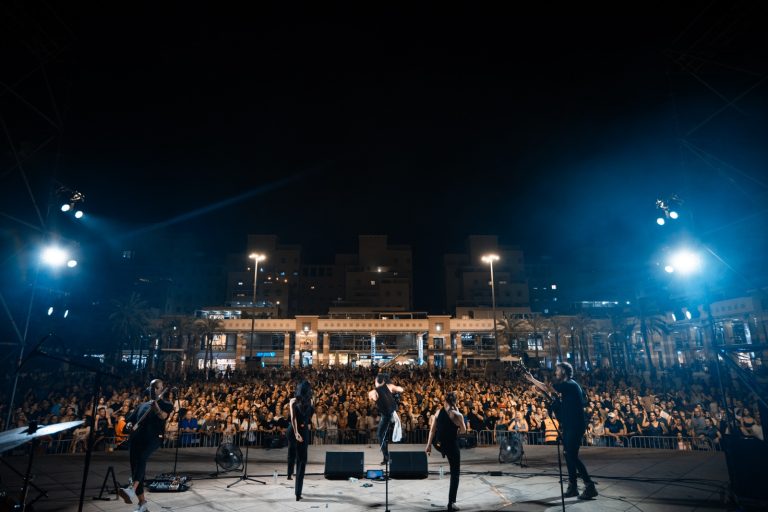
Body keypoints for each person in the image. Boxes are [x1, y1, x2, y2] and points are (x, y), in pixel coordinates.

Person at [527, 363, 597, 500]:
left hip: (574, 425)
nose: (556, 372)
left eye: (558, 370)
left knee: (571, 455)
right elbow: (554, 396)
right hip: (571, 425)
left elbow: (547, 387)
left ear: (564, 371)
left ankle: (590, 486)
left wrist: (532, 379)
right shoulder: (569, 386)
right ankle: (573, 487)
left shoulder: (569, 384)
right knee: (568, 455)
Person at [118, 379, 174, 512]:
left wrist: (157, 407)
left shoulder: (166, 404)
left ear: (161, 390)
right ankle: (142, 503)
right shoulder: (141, 406)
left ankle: (132, 489)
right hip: (136, 439)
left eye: (156, 387)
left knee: (142, 458)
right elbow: (129, 421)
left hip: (153, 438)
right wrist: (128, 425)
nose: (153, 390)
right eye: (151, 387)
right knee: (136, 468)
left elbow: (163, 416)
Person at [425, 391, 466, 512]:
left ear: (445, 401)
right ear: (455, 402)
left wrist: (428, 445)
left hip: (439, 444)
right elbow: (463, 431)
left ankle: (442, 451)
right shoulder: (457, 414)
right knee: (455, 473)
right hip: (451, 446)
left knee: (441, 439)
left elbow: (432, 430)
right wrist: (458, 414)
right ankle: (451, 503)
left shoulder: (438, 412)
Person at [367, 373, 403, 464]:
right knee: (383, 435)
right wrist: (394, 391)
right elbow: (401, 389)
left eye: (375, 380)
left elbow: (371, 398)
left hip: (386, 416)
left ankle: (386, 457)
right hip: (393, 413)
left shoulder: (372, 392)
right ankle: (386, 457)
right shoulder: (389, 386)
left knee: (380, 435)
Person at [287, 381, 314, 501]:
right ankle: (297, 491)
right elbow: (295, 419)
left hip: (297, 431)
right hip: (298, 431)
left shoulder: (294, 401)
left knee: (295, 455)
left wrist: (297, 431)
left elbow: (295, 418)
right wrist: (297, 432)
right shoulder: (309, 401)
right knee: (299, 459)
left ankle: (292, 478)